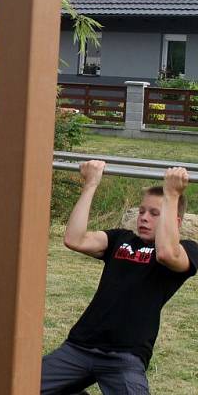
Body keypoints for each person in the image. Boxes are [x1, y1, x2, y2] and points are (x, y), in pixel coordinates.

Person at [40, 160, 198, 394]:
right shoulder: (120, 239)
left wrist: (172, 193)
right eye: (142, 211)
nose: (143, 218)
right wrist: (91, 184)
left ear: (174, 221)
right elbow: (75, 239)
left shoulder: (187, 250)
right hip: (80, 346)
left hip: (125, 355)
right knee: (18, 384)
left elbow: (166, 253)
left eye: (155, 214)